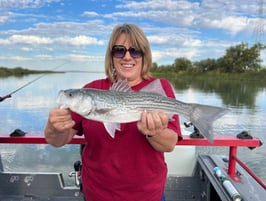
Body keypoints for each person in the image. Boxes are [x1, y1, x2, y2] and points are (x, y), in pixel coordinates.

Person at [44, 23, 182, 201]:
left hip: (147, 195)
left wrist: (153, 133)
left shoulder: (160, 88)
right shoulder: (92, 88)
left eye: (135, 50)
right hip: (97, 193)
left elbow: (169, 144)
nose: (127, 57)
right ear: (111, 56)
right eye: (119, 50)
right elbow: (58, 141)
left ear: (144, 55)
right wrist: (54, 127)